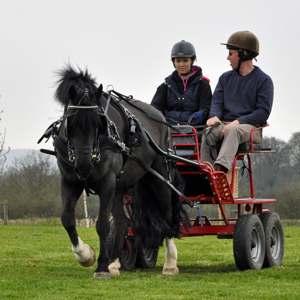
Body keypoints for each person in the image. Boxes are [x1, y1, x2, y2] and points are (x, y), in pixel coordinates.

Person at [200, 31, 274, 173]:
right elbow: (217, 103)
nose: (228, 57)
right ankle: (206, 171)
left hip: (251, 128)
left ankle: (219, 171)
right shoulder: (224, 78)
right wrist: (214, 116)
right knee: (209, 132)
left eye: (230, 53)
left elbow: (263, 113)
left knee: (233, 131)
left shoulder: (264, 80)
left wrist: (237, 122)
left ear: (243, 53)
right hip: (226, 124)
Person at [151, 40, 212, 125]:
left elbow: (206, 108)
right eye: (178, 61)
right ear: (173, 62)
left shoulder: (203, 85)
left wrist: (199, 116)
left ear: (192, 60)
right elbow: (154, 109)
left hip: (193, 129)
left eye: (185, 60)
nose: (181, 64)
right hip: (168, 129)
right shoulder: (165, 86)